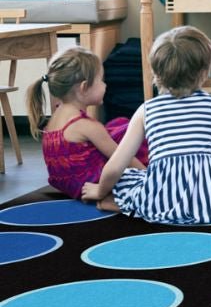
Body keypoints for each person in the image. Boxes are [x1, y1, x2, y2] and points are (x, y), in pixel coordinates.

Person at [81, 26, 211, 224]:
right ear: (205, 71)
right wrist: (208, 176)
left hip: (160, 201)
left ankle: (118, 203)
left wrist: (100, 190)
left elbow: (115, 166)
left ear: (155, 71)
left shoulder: (146, 110)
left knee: (128, 177)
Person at [26, 46, 148, 199]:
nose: (105, 85)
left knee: (118, 125)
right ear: (84, 87)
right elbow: (123, 158)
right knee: (133, 137)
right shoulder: (86, 126)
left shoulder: (55, 118)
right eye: (101, 81)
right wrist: (149, 177)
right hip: (89, 184)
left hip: (66, 183)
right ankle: (112, 200)